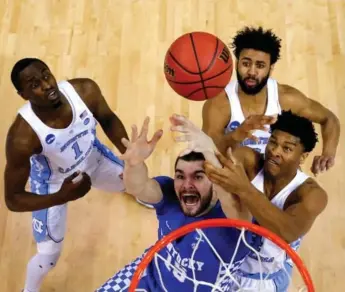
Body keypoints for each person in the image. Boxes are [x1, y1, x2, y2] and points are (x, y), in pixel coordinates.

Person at [3, 58, 151, 292]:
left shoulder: (85, 90)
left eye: (46, 75)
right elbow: (13, 199)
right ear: (23, 94)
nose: (46, 84)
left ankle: (131, 189)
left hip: (93, 158)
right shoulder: (22, 137)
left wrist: (128, 152)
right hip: (55, 185)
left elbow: (108, 119)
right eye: (34, 84)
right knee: (49, 255)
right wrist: (62, 196)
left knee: (137, 181)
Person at [96, 116, 253, 292]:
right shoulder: (170, 195)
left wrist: (210, 151)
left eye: (198, 176)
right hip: (150, 277)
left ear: (215, 181)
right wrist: (134, 164)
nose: (186, 184)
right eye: (180, 175)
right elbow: (137, 187)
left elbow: (242, 218)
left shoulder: (233, 221)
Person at [201, 110, 328, 291]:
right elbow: (211, 160)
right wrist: (234, 136)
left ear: (303, 157)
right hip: (226, 265)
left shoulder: (311, 194)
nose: (275, 152)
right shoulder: (249, 160)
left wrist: (244, 189)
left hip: (265, 277)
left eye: (287, 149)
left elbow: (287, 232)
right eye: (273, 143)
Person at [202, 26, 340, 176]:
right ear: (237, 63)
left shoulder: (286, 98)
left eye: (260, 66)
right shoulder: (220, 102)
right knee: (245, 156)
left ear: (271, 68)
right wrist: (236, 135)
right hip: (239, 178)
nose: (252, 72)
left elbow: (329, 118)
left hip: (276, 176)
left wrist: (328, 153)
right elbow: (207, 152)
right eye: (246, 63)